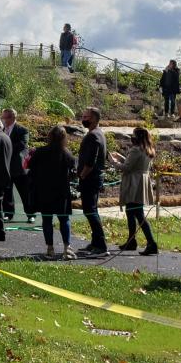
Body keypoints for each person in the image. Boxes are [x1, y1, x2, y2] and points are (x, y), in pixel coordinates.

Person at [28, 125, 76, 260]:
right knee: (64, 219)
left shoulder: (40, 151)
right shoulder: (66, 153)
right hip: (62, 191)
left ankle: (50, 248)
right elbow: (73, 171)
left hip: (44, 191)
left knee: (47, 220)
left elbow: (31, 167)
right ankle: (67, 248)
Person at [109, 128, 158, 255]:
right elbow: (134, 163)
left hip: (134, 183)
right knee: (132, 211)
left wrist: (112, 161)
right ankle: (132, 241)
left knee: (137, 213)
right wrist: (121, 157)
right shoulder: (147, 149)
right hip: (141, 181)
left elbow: (127, 167)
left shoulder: (136, 149)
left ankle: (151, 243)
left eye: (134, 135)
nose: (132, 137)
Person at [77, 107, 108, 256]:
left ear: (94, 119)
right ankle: (95, 242)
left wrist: (82, 176)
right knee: (92, 210)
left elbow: (90, 161)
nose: (83, 119)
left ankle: (101, 244)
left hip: (90, 179)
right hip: (94, 178)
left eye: (86, 116)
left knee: (90, 211)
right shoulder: (99, 133)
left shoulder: (93, 136)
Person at [1, 108, 35, 224]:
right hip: (5, 166)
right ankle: (8, 214)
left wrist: (5, 147)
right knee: (7, 192)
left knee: (25, 192)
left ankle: (31, 214)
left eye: (7, 117)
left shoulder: (22, 130)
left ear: (14, 117)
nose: (5, 120)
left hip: (19, 167)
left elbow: (22, 145)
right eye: (3, 117)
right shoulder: (1, 129)